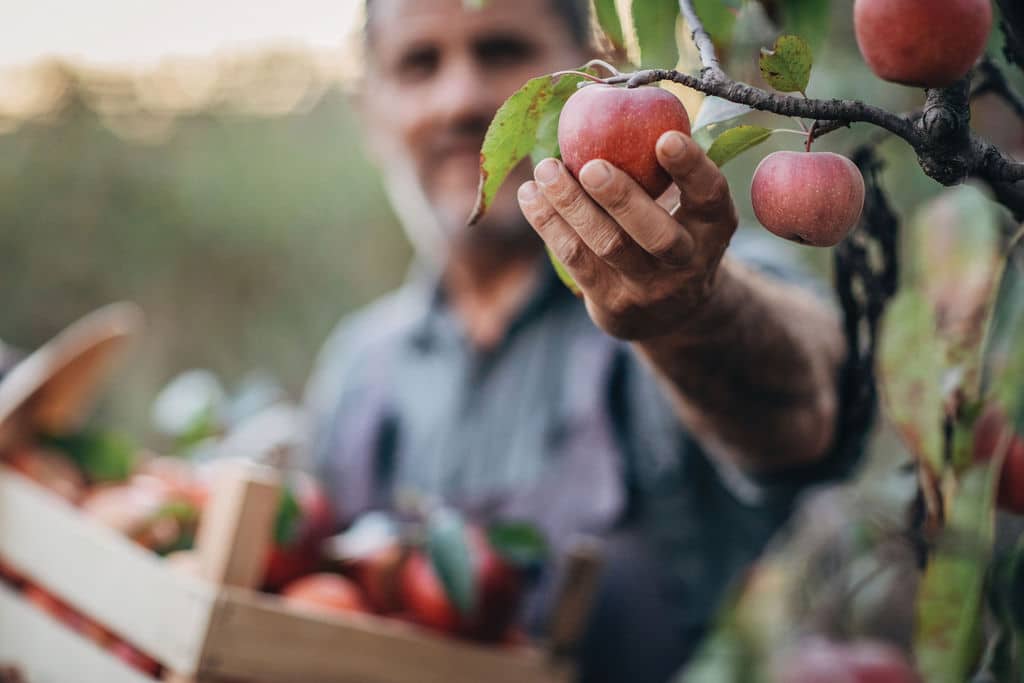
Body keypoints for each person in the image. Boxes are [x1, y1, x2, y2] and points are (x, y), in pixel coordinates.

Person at [304, 1, 862, 680]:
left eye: (502, 51)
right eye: (420, 63)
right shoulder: (358, 368)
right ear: (371, 112)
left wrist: (694, 313)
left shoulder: (691, 267)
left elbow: (804, 409)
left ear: (590, 72)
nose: (461, 99)